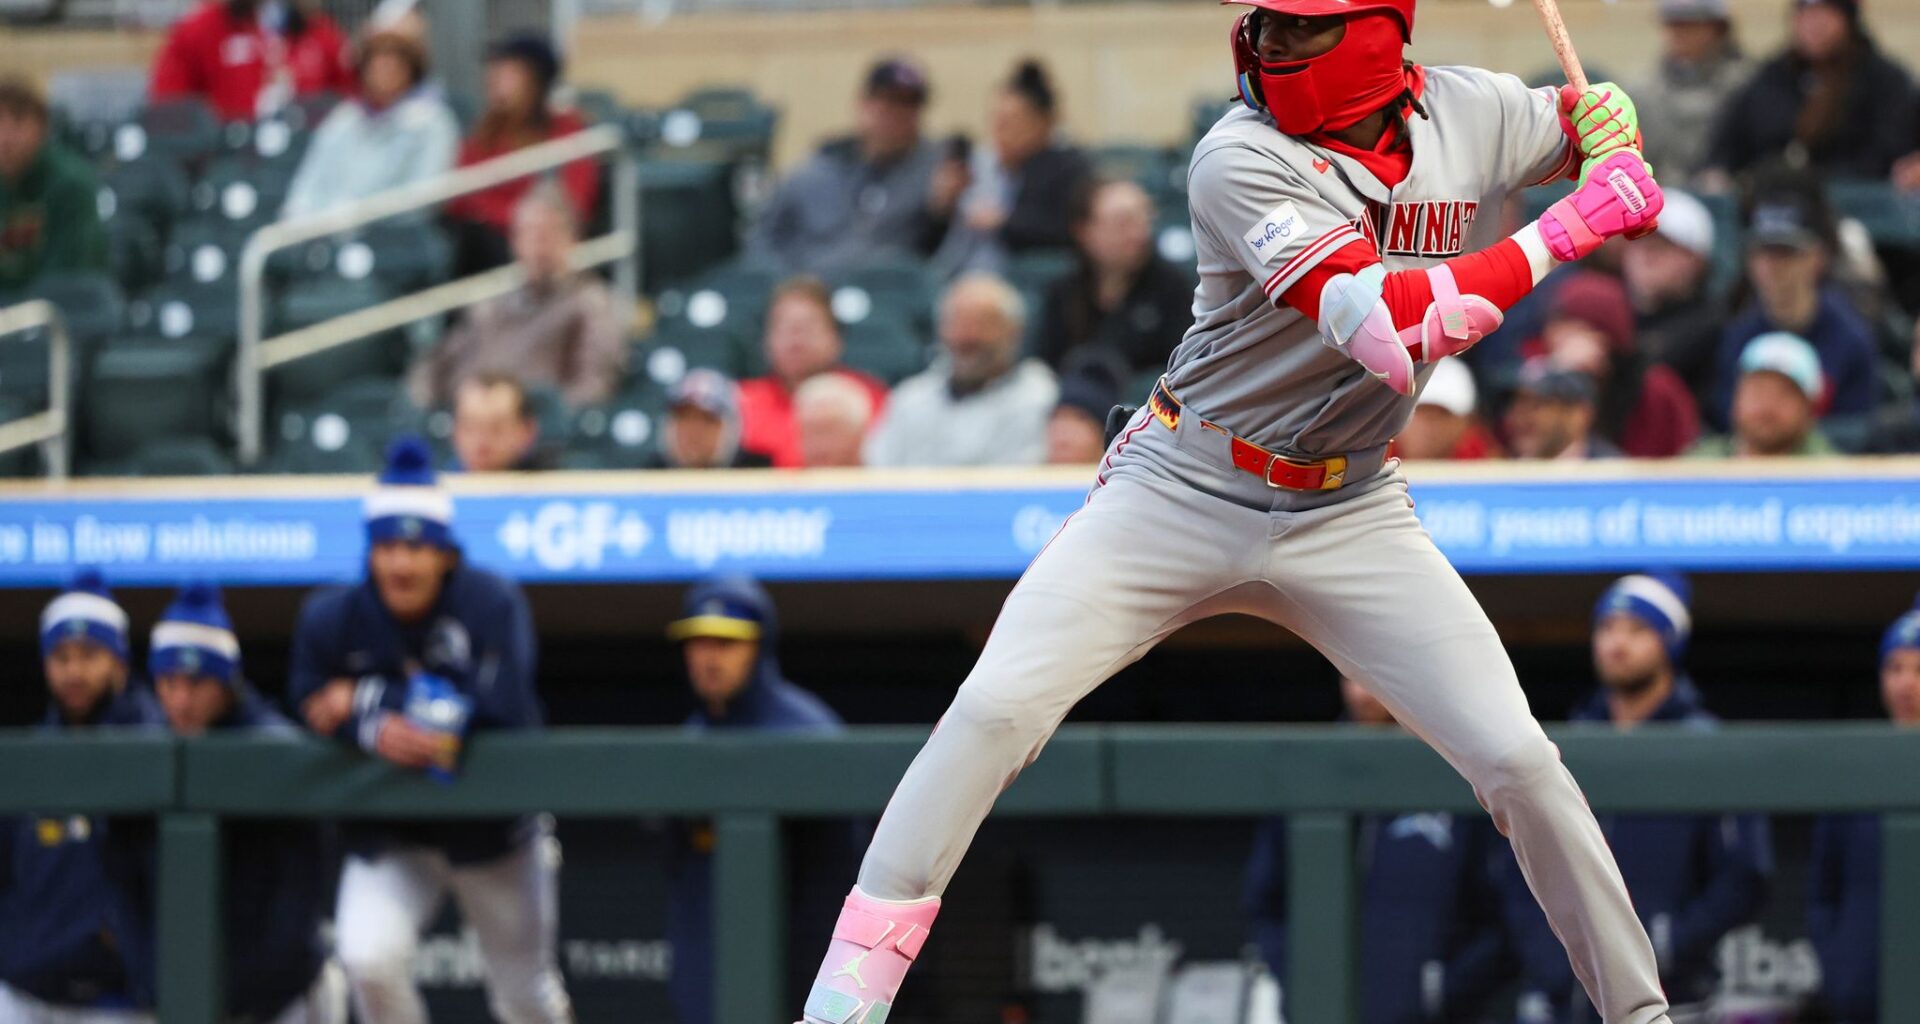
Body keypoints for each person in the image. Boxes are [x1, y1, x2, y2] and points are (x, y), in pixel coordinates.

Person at [790, 0, 1680, 1020]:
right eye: (1265, 25)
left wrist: (1607, 124)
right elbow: (1389, 333)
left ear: (1380, 33)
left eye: (1302, 28)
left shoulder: (1469, 111)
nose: (1271, 46)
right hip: (1183, 483)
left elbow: (1580, 120)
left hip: (1351, 504)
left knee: (1520, 761)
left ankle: (1641, 1014)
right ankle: (841, 1008)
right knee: (993, 710)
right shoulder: (1237, 155)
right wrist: (1568, 228)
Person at [288, 439, 572, 1024]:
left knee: (524, 995)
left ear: (445, 554)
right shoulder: (333, 616)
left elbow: (502, 707)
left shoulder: (490, 602)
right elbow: (305, 698)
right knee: (366, 958)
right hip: (394, 831)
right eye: (387, 547)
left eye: (416, 548)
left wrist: (367, 699)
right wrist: (372, 730)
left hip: (495, 833)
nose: (401, 565)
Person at [1506, 574, 1772, 1022]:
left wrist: (1665, 945)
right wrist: (1549, 954)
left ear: (1668, 642)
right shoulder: (1567, 740)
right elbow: (1520, 859)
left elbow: (1744, 873)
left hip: (1673, 1001)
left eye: (1636, 630)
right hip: (1566, 1003)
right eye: (1607, 628)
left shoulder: (1704, 744)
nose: (1617, 643)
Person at [115, 584, 344, 1024]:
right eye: (169, 682)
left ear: (226, 682)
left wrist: (252, 988)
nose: (180, 699)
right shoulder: (143, 752)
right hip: (182, 997)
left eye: (196, 682)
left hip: (280, 997)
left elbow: (300, 893)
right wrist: (155, 980)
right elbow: (122, 882)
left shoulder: (274, 751)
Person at [1245, 678, 1520, 1024]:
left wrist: (1442, 990)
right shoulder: (1313, 770)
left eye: (1370, 676)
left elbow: (1504, 915)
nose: (1361, 692)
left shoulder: (1454, 772)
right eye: (1349, 676)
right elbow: (1265, 903)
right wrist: (1303, 983)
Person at [662, 575, 843, 1024]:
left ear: (759, 647)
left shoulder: (809, 735)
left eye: (727, 642)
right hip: (707, 957)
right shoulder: (689, 739)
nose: (709, 658)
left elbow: (837, 879)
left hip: (796, 960)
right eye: (699, 642)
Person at [0, 572, 163, 1024]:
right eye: (61, 657)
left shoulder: (154, 747)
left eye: (90, 655)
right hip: (26, 990)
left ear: (119, 662)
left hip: (121, 999)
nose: (74, 671)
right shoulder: (30, 756)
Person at [1806, 596, 1920, 1024]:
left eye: (1919, 669)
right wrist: (1841, 969)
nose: (1906, 684)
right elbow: (1823, 892)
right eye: (1895, 668)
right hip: (1861, 1000)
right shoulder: (1858, 771)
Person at [410, 183, 626, 409]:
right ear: (515, 241)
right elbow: (437, 364)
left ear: (573, 239)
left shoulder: (590, 303)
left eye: (547, 233)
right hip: (466, 420)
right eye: (528, 232)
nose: (537, 244)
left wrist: (533, 417)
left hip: (534, 423)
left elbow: (592, 387)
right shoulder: (490, 305)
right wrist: (425, 402)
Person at [749, 58, 943, 274]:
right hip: (807, 282)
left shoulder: (933, 173)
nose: (896, 115)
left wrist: (942, 214)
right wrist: (786, 283)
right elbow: (763, 240)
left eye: (908, 105)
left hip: (885, 287)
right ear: (863, 103)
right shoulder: (816, 171)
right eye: (887, 102)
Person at [1712, 185, 1876, 423]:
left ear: (1816, 258)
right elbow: (1728, 422)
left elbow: (1857, 428)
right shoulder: (1738, 336)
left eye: (1786, 253)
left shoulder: (1850, 337)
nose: (1772, 266)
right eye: (1763, 253)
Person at [863, 273, 1059, 467]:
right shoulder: (910, 399)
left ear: (1015, 331)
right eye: (956, 322)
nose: (967, 336)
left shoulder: (1040, 399)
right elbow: (877, 472)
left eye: (983, 323)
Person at [1706, 0, 1915, 182]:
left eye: (1824, 15)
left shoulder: (1883, 81)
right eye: (1806, 15)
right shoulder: (1772, 77)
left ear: (1848, 21)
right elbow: (1730, 142)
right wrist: (1718, 171)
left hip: (1858, 203)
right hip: (1773, 198)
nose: (1814, 26)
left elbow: (1891, 153)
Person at [443, 34, 599, 276]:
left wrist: (501, 215)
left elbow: (572, 206)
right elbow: (459, 200)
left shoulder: (565, 129)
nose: (494, 79)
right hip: (487, 250)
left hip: (544, 250)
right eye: (494, 70)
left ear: (535, 80)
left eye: (508, 72)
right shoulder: (484, 134)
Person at [929, 60, 1093, 274]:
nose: (998, 132)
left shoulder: (1071, 168)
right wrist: (945, 205)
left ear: (1044, 123)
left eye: (1009, 123)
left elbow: (1066, 233)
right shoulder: (985, 165)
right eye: (995, 121)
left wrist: (1003, 223)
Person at [279, 30, 458, 221]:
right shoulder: (342, 119)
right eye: (377, 65)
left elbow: (423, 199)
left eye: (394, 66)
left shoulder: (432, 123)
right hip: (323, 231)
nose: (384, 74)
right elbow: (305, 189)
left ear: (410, 73)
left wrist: (356, 220)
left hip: (390, 234)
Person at [1034, 178, 1195, 374]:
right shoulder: (1063, 291)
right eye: (1123, 223)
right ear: (1084, 231)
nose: (1139, 234)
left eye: (1145, 221)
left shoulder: (1173, 288)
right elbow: (1046, 367)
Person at [1531, 272, 1700, 457]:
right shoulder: (1539, 372)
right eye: (1556, 324)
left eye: (1573, 328)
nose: (1557, 337)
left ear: (1605, 340)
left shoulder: (1655, 391)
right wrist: (1556, 375)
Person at [737, 278, 890, 468]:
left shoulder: (870, 400)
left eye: (807, 326)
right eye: (784, 326)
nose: (795, 338)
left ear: (836, 337)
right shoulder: (740, 405)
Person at [149, 0, 353, 122]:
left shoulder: (318, 34)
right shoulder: (198, 30)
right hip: (225, 158)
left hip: (297, 152)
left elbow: (350, 97)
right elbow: (168, 108)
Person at [0, 77, 106, 292]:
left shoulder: (71, 186)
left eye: (18, 122)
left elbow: (68, 278)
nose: (5, 138)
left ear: (43, 127)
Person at [1628, 0, 1749, 187]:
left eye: (1690, 24)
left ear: (1716, 29)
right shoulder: (1643, 90)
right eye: (1673, 24)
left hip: (1726, 193)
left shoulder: (1744, 84)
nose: (1679, 33)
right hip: (1658, 192)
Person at [1623, 190, 1724, 406]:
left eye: (1661, 247)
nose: (1646, 255)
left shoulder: (1710, 327)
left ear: (1696, 261)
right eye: (1638, 241)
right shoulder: (1612, 309)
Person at [1689, 332, 1837, 456]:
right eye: (1758, 390)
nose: (1768, 404)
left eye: (1784, 394)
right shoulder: (1695, 468)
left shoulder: (1834, 475)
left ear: (1808, 407)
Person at [645, 368, 773, 470]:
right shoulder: (648, 479)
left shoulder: (758, 475)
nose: (694, 431)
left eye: (707, 420)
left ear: (730, 427)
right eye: (684, 419)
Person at [1504, 357, 1623, 460]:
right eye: (1514, 403)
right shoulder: (1506, 470)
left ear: (1579, 414)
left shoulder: (1613, 472)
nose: (1520, 415)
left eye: (1537, 404)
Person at [1394, 356, 1499, 459]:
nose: (1431, 427)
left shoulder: (1488, 464)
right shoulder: (1384, 458)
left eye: (1442, 414)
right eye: (1419, 412)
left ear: (1467, 421)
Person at [451, 373, 552, 472]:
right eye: (469, 427)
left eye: (496, 429)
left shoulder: (553, 478)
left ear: (528, 431)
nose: (481, 443)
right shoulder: (444, 477)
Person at [793, 371, 875, 468]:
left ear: (859, 435)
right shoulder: (785, 476)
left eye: (828, 432)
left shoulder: (885, 475)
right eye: (809, 434)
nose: (818, 447)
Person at [1046, 369, 1120, 465]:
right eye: (1057, 417)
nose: (1062, 431)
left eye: (1080, 418)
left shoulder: (1121, 472)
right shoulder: (1031, 471)